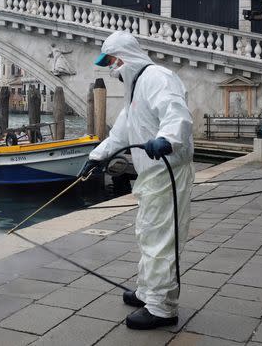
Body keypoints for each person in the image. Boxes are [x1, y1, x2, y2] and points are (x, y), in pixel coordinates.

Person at [86, 31, 194, 330]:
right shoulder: (134, 94)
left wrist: (167, 139)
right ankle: (148, 291)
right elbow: (120, 134)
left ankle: (161, 308)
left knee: (161, 238)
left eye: (113, 62)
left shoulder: (158, 77)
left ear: (124, 58)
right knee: (148, 233)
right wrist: (96, 158)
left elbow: (176, 112)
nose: (112, 69)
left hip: (166, 171)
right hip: (150, 175)